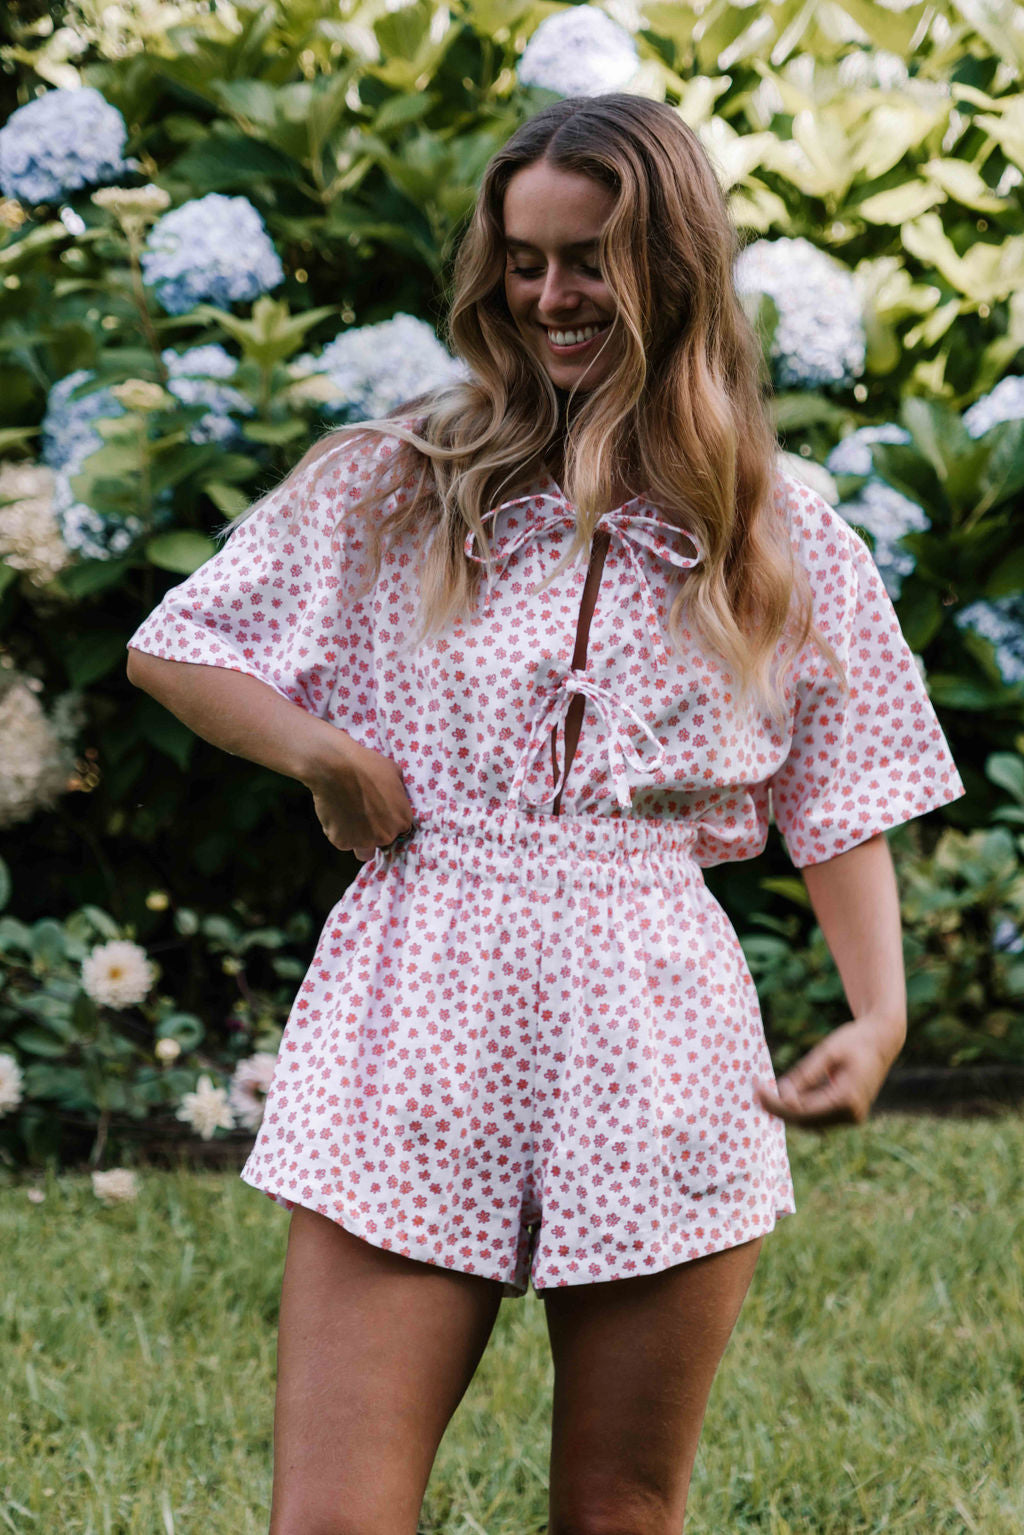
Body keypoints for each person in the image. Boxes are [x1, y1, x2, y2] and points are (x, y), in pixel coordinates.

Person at [125, 93, 965, 1535]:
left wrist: (878, 1021)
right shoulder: (405, 481)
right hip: (422, 992)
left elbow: (847, 786)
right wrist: (324, 752)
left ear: (676, 268)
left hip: (653, 1016)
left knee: (620, 1513)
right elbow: (181, 644)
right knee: (330, 1519)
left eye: (590, 260)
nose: (552, 295)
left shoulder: (778, 527)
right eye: (525, 260)